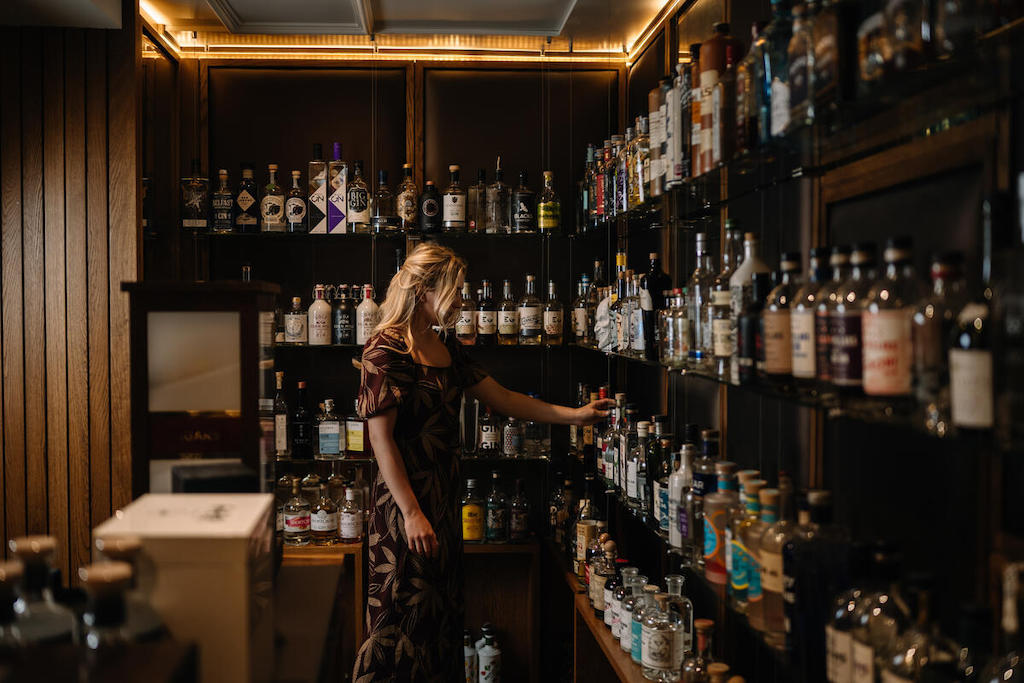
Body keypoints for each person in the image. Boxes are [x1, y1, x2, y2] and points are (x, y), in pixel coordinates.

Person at [352, 243, 612, 682]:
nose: (462, 300)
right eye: (455, 290)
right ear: (423, 289)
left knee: (440, 622)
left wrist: (576, 416)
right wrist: (413, 513)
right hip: (404, 511)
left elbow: (504, 398)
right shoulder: (386, 347)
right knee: (398, 622)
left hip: (444, 502)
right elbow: (381, 441)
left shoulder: (444, 345)